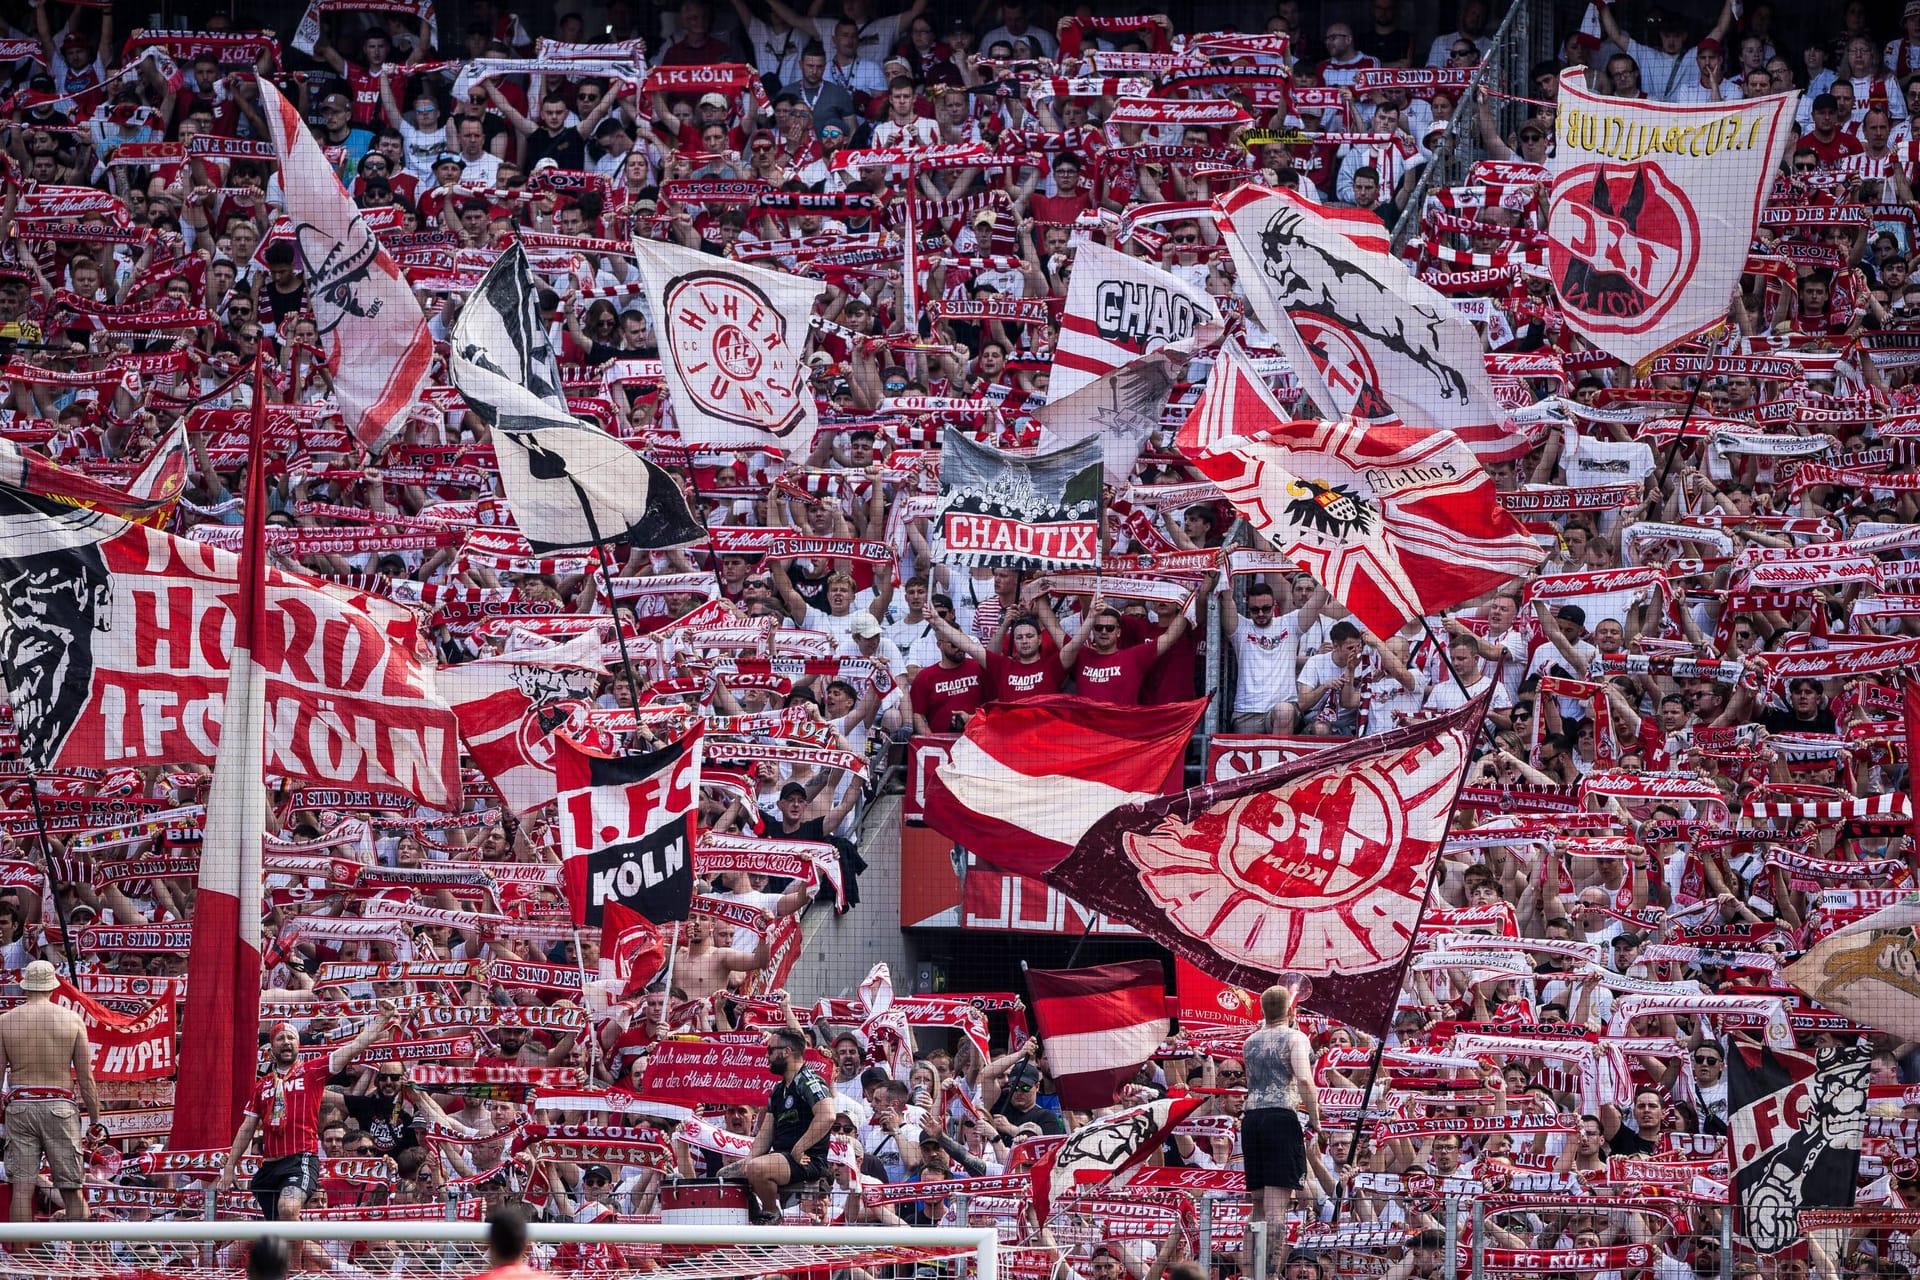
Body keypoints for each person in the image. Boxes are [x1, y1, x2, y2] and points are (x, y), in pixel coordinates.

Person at [216, 1005, 403, 1220]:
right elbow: (247, 1127)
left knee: (287, 1209)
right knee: (277, 1228)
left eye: (291, 1038)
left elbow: (355, 1046)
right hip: (269, 1166)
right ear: (270, 1051)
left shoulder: (313, 1072)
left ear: (299, 1045)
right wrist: (230, 1166)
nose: (286, 1041)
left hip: (300, 1161)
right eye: (280, 1038)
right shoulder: (261, 1086)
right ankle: (297, 1254)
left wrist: (382, 1019)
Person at [0, 959, 102, 1223]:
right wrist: (96, 1120)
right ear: (53, 987)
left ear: (25, 988)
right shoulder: (71, 1020)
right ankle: (82, 1258)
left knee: (21, 1190)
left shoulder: (6, 1021)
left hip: (21, 1105)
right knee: (72, 1188)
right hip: (60, 1106)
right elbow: (85, 1078)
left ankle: (21, 1261)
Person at [721, 1027, 835, 1223]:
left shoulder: (808, 1081)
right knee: (725, 1175)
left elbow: (828, 1116)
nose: (767, 1055)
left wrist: (800, 1147)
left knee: (757, 1168)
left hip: (808, 1160)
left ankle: (772, 1214)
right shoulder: (778, 1089)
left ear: (786, 1052)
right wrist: (748, 1159)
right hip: (784, 1158)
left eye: (770, 1050)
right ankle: (754, 1218)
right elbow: (766, 1133)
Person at [1241, 983, 1319, 1227]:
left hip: (1251, 1120)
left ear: (1263, 1013)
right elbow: (1305, 1079)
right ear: (1292, 1012)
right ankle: (1272, 1268)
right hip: (1280, 1118)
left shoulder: (1249, 1042)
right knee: (1276, 1212)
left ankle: (1253, 1266)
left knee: (1258, 1209)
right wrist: (1316, 1120)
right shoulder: (1296, 1037)